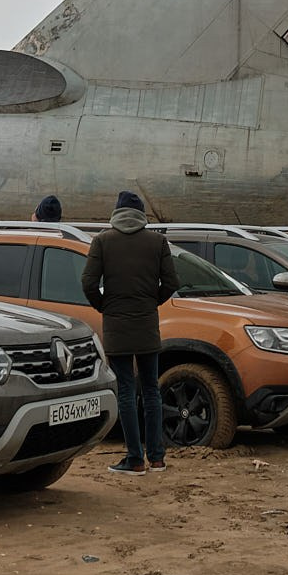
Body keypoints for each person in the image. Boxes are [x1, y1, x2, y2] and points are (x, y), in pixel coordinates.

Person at [81, 189, 179, 474]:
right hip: (147, 323)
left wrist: (104, 305)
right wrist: (152, 302)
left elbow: (88, 283)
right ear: (141, 214)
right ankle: (158, 457)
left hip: (116, 325)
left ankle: (135, 459)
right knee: (151, 390)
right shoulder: (157, 241)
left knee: (125, 389)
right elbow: (171, 281)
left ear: (116, 212)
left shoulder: (102, 241)